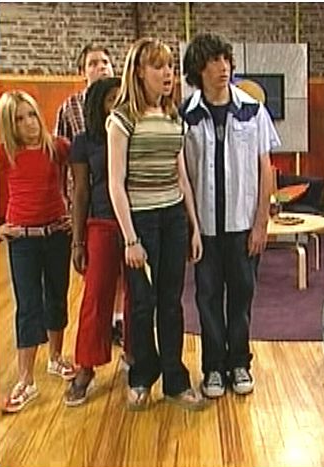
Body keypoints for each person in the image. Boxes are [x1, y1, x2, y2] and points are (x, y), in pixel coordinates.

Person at [107, 37, 205, 411]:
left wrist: (193, 225)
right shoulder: (121, 119)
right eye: (158, 66)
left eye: (170, 66)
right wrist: (131, 239)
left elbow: (182, 176)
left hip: (173, 217)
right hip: (141, 222)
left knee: (171, 303)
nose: (168, 74)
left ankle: (175, 379)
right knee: (142, 304)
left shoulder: (172, 116)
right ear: (138, 72)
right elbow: (116, 183)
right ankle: (141, 376)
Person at [180, 33, 280, 398]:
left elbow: (266, 169)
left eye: (225, 60)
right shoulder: (185, 115)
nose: (222, 68)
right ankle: (213, 368)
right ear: (198, 69)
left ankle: (239, 363)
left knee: (241, 296)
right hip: (205, 227)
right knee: (207, 299)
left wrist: (261, 222)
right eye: (213, 61)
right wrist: (190, 226)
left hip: (242, 225)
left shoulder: (252, 110)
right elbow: (181, 174)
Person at [0, 91, 76, 413]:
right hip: (23, 240)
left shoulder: (57, 147)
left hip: (57, 234)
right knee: (28, 305)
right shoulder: (5, 154)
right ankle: (25, 379)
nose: (29, 123)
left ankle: (55, 358)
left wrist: (76, 213)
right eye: (19, 118)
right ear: (9, 124)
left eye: (31, 114)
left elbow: (83, 175)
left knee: (57, 296)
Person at [64, 76, 124, 406]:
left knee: (139, 298)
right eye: (110, 99)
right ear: (97, 104)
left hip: (137, 222)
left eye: (121, 98)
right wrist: (78, 241)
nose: (117, 104)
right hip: (101, 223)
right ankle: (85, 368)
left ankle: (135, 356)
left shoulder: (132, 132)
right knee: (95, 299)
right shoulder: (84, 142)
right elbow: (81, 192)